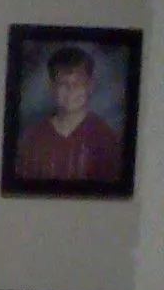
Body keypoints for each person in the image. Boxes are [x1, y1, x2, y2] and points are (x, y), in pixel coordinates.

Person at [14, 45, 123, 185]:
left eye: (78, 84)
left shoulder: (105, 138)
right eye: (63, 84)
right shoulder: (34, 139)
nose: (71, 90)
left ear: (90, 87)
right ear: (52, 88)